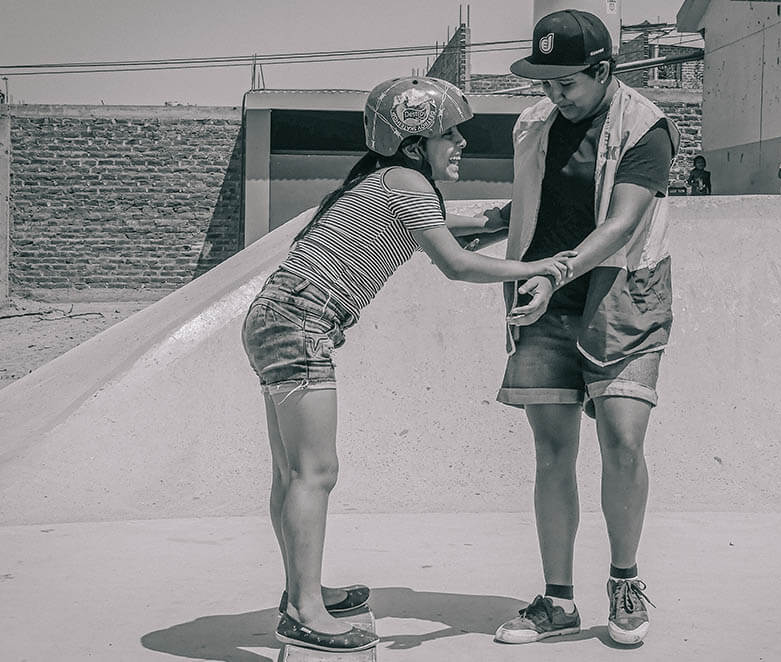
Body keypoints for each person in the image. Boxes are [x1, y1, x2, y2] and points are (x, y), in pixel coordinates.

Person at [240, 76, 575, 654]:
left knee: (292, 473)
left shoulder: (386, 179)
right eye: (450, 134)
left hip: (277, 316)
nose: (461, 145)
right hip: (301, 324)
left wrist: (498, 221)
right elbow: (455, 264)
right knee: (315, 474)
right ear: (417, 141)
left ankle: (302, 592)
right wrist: (541, 266)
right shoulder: (408, 180)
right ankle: (305, 613)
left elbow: (438, 232)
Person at [486, 9, 680, 647]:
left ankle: (624, 580)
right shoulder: (534, 124)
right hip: (542, 297)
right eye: (544, 82)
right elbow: (537, 200)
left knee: (623, 441)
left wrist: (554, 274)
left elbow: (622, 224)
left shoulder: (646, 127)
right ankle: (557, 600)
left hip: (622, 295)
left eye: (565, 82)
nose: (553, 94)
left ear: (603, 71)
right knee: (552, 453)